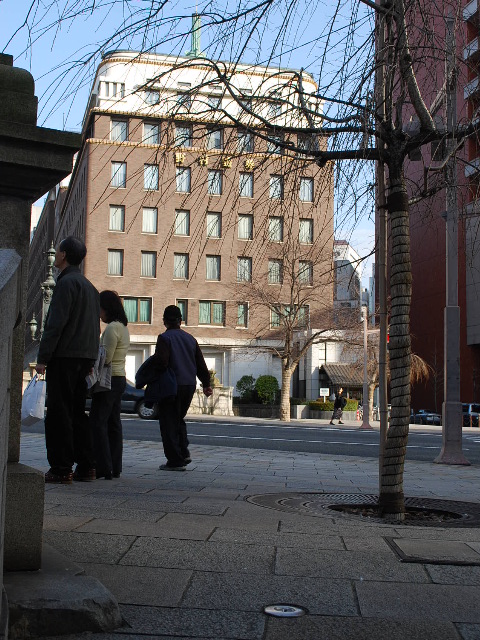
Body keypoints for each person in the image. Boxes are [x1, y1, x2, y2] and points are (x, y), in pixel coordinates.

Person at [35, 236, 100, 484]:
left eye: (59, 251)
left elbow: (55, 324)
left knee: (59, 413)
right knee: (77, 412)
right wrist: (92, 358)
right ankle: (86, 465)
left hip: (64, 356)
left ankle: (61, 468)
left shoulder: (65, 284)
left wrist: (43, 357)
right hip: (85, 357)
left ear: (63, 256)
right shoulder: (89, 287)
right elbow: (95, 328)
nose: (57, 255)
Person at [154, 305, 213, 471]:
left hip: (171, 386)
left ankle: (175, 460)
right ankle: (184, 452)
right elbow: (201, 364)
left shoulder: (164, 338)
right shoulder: (190, 339)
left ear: (164, 321)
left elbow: (161, 362)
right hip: (189, 385)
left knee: (168, 423)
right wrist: (206, 384)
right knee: (178, 419)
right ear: (181, 321)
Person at [90, 291, 130, 480]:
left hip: (108, 379)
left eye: (100, 308)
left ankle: (103, 467)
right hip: (119, 378)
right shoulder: (122, 327)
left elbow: (105, 358)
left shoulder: (111, 329)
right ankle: (115, 466)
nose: (99, 313)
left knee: (98, 422)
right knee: (114, 423)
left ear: (106, 308)